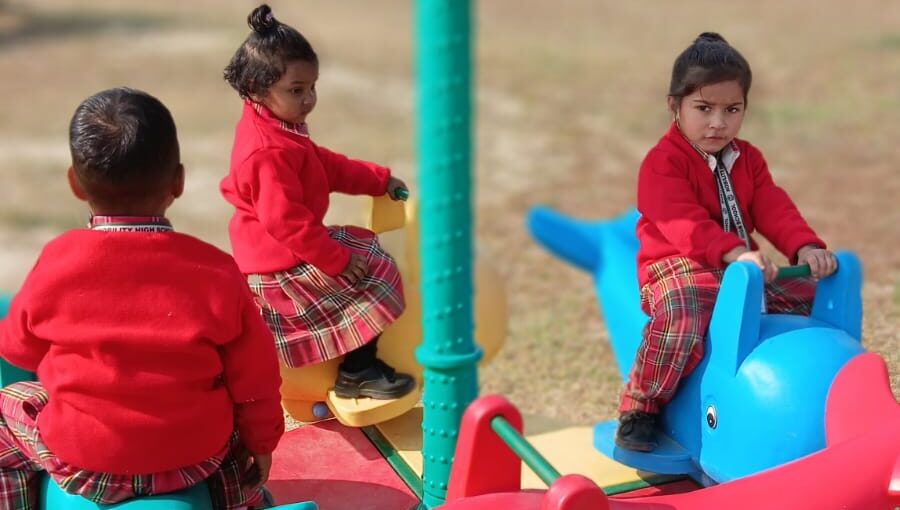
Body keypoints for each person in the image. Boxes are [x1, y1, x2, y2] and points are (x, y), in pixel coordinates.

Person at [0, 88, 284, 509]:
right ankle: (240, 498)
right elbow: (256, 379)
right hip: (195, 460)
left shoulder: (57, 262)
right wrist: (262, 443)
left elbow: (17, 349)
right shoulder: (217, 271)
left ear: (75, 183)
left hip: (85, 465)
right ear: (178, 181)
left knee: (8, 406)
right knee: (232, 417)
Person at [616, 32, 838, 452]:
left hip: (738, 266)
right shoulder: (662, 164)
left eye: (732, 110)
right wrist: (735, 252)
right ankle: (641, 406)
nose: (718, 122)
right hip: (677, 265)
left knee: (809, 294)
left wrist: (805, 247)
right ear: (674, 105)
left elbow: (774, 207)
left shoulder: (747, 158)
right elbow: (685, 225)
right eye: (704, 108)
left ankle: (813, 392)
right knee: (684, 312)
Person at [220, 4, 415, 401]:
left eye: (312, 87)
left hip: (291, 247)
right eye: (296, 90)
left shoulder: (277, 125)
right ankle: (358, 371)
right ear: (257, 88)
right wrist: (336, 260)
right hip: (279, 265)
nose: (309, 99)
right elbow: (286, 222)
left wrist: (377, 179)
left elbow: (323, 165)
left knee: (367, 251)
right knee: (372, 276)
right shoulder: (267, 151)